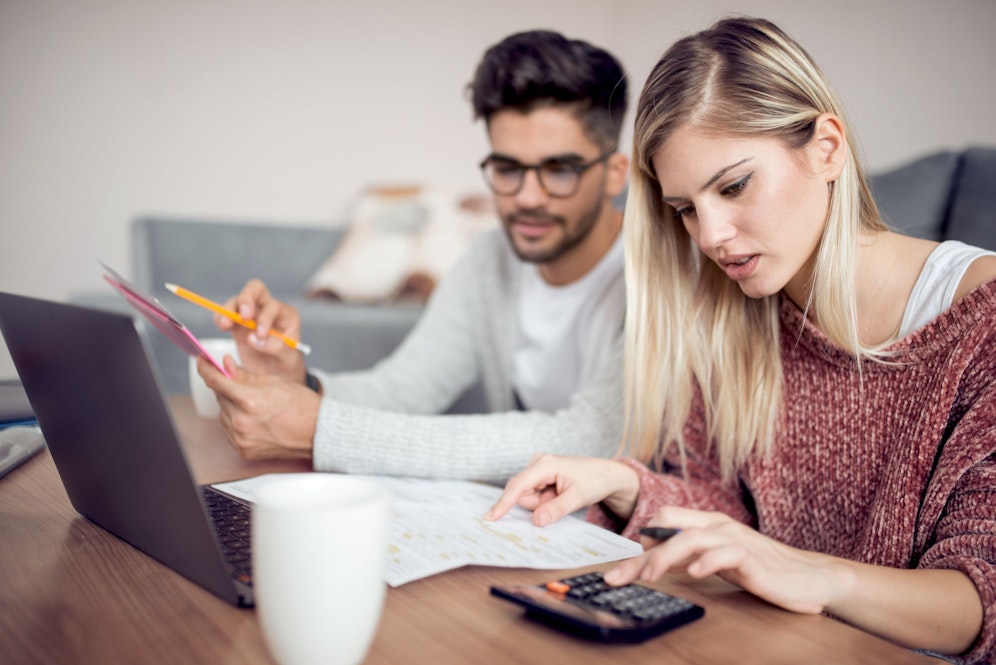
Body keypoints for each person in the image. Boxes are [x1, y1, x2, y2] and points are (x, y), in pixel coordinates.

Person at [486, 17, 996, 663]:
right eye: (686, 209)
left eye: (733, 186)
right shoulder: (740, 311)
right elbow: (729, 509)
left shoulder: (983, 321)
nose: (712, 236)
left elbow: (977, 603)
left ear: (827, 147)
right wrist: (621, 483)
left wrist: (814, 575)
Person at [197, 30, 630, 484]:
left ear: (615, 173)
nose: (527, 197)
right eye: (507, 169)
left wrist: (322, 430)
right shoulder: (489, 261)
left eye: (559, 170)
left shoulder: (655, 275)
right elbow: (405, 388)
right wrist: (300, 381)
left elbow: (589, 439)